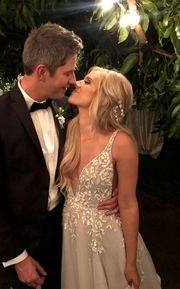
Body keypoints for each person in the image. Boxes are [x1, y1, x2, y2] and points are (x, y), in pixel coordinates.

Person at [0, 24, 118, 289]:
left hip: (66, 235)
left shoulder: (66, 105)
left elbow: (95, 150)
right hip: (22, 245)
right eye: (68, 72)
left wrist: (113, 188)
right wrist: (17, 257)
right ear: (42, 72)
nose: (74, 79)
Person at [60, 67, 162, 289]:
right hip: (73, 235)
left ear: (105, 99)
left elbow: (128, 205)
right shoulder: (69, 131)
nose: (76, 83)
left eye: (87, 82)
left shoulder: (122, 142)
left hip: (107, 240)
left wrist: (131, 262)